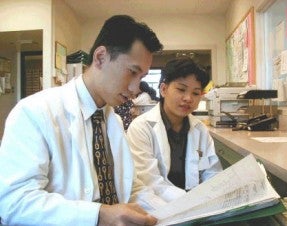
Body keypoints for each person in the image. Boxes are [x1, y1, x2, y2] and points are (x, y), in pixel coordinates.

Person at [0, 15, 166, 226]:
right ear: (100, 57)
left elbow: (127, 186)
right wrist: (98, 215)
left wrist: (175, 212)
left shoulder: (112, 120)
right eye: (132, 72)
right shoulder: (35, 111)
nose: (135, 89)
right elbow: (14, 202)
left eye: (141, 78)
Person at [127, 57, 223, 202]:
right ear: (164, 89)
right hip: (157, 208)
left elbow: (212, 175)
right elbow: (149, 183)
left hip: (199, 208)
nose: (188, 98)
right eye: (181, 89)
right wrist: (191, 202)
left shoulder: (200, 130)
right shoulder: (141, 128)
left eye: (196, 93)